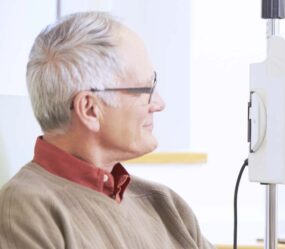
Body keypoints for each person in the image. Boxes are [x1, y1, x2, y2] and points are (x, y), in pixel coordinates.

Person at [0, 12, 214, 249]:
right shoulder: (25, 214)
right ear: (90, 109)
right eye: (145, 88)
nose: (159, 103)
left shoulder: (167, 205)